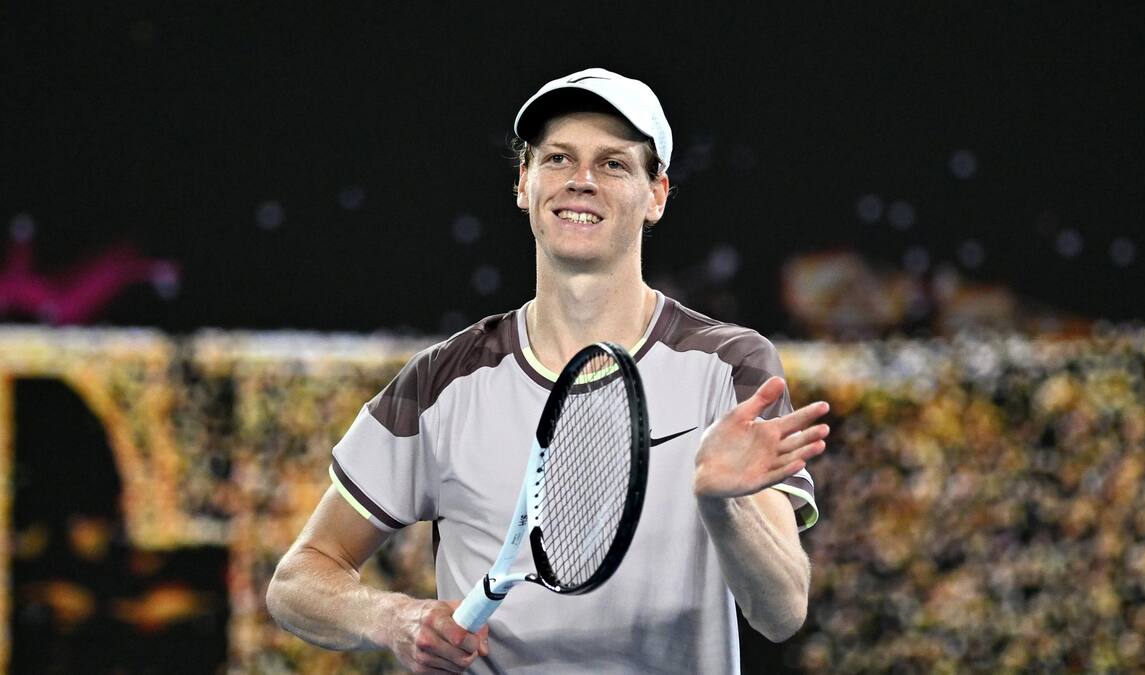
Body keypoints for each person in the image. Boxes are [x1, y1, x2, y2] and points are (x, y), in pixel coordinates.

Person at [266, 67, 830, 674]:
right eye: (558, 159)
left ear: (657, 195)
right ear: (523, 182)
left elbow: (782, 613)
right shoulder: (441, 383)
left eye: (613, 164)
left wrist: (724, 506)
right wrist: (394, 619)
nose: (581, 181)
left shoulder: (731, 367)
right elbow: (297, 581)